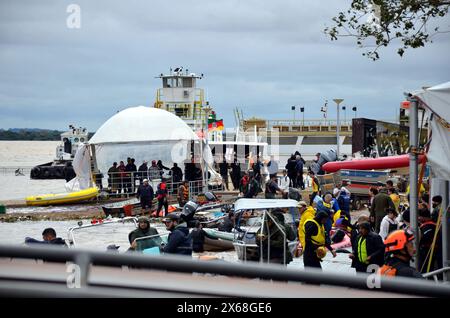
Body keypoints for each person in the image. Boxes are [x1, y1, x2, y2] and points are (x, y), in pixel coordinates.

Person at [418, 208, 442, 274]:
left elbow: (424, 238)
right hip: (429, 251)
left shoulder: (429, 226)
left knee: (426, 270)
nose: (418, 218)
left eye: (420, 216)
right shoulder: (430, 225)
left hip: (428, 252)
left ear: (425, 217)